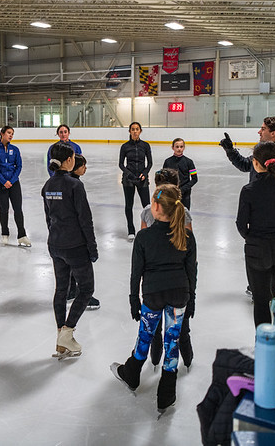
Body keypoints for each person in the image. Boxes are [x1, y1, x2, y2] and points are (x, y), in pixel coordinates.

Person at [110, 184, 197, 414]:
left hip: (153, 294)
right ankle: (166, 394)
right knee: (172, 341)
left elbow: (136, 272)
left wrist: (133, 298)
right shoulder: (186, 234)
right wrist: (192, 299)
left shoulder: (144, 237)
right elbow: (191, 271)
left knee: (145, 336)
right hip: (180, 294)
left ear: (156, 207)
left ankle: (132, 373)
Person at [42, 142, 98, 359]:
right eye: (73, 156)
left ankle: (60, 339)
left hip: (55, 244)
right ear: (67, 161)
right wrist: (92, 247)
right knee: (86, 289)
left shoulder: (48, 185)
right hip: (75, 246)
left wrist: (56, 237)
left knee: (61, 289)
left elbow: (48, 218)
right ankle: (67, 332)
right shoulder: (75, 186)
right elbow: (85, 219)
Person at [236, 141, 275, 326]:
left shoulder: (249, 190)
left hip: (258, 251)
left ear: (255, 163)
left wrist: (254, 238)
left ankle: (264, 346)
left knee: (261, 301)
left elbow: (241, 224)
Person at [140, 169, 194, 371]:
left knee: (156, 328)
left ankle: (156, 360)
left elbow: (143, 243)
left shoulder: (148, 211)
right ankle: (186, 360)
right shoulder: (184, 212)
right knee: (181, 326)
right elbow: (190, 250)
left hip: (155, 281)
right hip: (179, 281)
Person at [66, 154, 101, 310]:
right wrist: (90, 242)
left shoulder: (66, 182)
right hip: (76, 234)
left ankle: (71, 290)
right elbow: (84, 216)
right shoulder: (75, 185)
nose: (85, 168)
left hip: (63, 233)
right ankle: (81, 294)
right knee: (79, 265)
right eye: (83, 166)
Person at [0, 125, 31, 247]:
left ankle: (22, 236)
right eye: (9, 133)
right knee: (4, 209)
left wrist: (11, 181)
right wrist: (3, 181)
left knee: (18, 209)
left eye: (12, 133)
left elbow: (19, 166)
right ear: (2, 133)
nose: (11, 135)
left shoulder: (15, 149)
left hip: (14, 183)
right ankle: (4, 234)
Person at [219, 116, 275, 183]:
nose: (259, 132)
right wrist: (230, 150)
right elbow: (245, 165)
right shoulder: (263, 151)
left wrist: (251, 191)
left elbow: (274, 188)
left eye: (263, 129)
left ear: (273, 133)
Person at [119, 122, 153, 241]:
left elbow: (149, 163)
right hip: (128, 180)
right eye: (132, 129)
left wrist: (144, 174)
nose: (134, 131)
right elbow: (121, 164)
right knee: (129, 205)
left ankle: (148, 229)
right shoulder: (125, 147)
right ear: (129, 131)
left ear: (140, 131)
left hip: (142, 179)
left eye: (137, 129)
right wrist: (129, 174)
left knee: (147, 206)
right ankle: (131, 231)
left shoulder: (145, 145)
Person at [163, 138, 198, 209]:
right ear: (172, 148)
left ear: (184, 147)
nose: (179, 149)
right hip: (171, 194)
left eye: (181, 147)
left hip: (185, 194)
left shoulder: (189, 162)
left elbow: (194, 179)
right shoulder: (167, 161)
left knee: (185, 215)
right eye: (177, 147)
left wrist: (183, 189)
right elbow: (164, 178)